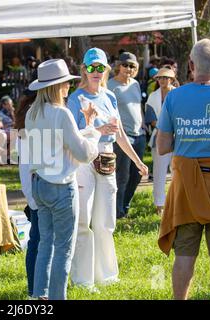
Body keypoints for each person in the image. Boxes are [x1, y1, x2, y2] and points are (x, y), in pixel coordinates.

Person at [157, 39, 210, 300]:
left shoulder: (174, 97)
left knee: (184, 254)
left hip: (186, 186)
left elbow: (163, 146)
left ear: (191, 65)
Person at [67, 48, 148, 290]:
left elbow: (120, 133)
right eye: (91, 67)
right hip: (84, 163)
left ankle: (108, 276)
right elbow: (69, 138)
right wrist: (97, 132)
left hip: (108, 161)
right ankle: (82, 280)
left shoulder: (110, 97)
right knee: (83, 221)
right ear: (84, 69)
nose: (95, 71)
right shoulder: (75, 98)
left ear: (106, 70)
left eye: (100, 67)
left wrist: (137, 160)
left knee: (106, 222)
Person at [24, 58, 101, 300]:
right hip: (60, 186)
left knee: (45, 244)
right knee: (63, 250)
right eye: (66, 83)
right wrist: (95, 135)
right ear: (57, 87)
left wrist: (86, 130)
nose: (68, 87)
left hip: (39, 184)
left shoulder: (31, 113)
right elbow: (83, 153)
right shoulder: (62, 113)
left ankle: (40, 296)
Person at [108, 52, 148, 219]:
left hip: (139, 134)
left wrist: (144, 123)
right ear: (119, 66)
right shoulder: (110, 85)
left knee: (137, 174)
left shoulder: (136, 85)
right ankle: (117, 211)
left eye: (132, 66)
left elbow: (138, 106)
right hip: (122, 137)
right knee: (122, 176)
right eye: (125, 65)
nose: (128, 69)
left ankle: (125, 204)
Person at [14, 88, 39, 298]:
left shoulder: (26, 116)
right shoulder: (35, 115)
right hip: (37, 187)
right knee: (38, 240)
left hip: (33, 187)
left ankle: (36, 289)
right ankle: (35, 290)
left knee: (37, 240)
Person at [145, 68, 176, 216]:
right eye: (160, 78)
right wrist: (166, 127)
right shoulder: (152, 96)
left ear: (171, 79)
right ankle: (159, 204)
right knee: (159, 173)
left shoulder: (179, 94)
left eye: (166, 78)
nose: (162, 80)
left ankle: (177, 202)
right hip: (159, 137)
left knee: (177, 172)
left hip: (179, 137)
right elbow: (150, 119)